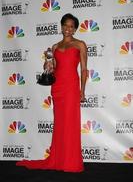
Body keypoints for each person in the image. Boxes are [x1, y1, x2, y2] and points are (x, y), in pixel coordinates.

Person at [16, 13, 88, 172]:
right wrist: (47, 65)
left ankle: (70, 162)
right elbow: (53, 68)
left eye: (71, 26)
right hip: (58, 88)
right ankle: (59, 160)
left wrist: (82, 91)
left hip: (71, 88)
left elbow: (83, 70)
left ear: (75, 29)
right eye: (65, 25)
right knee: (60, 125)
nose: (68, 29)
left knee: (71, 124)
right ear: (61, 27)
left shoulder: (80, 45)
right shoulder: (54, 47)